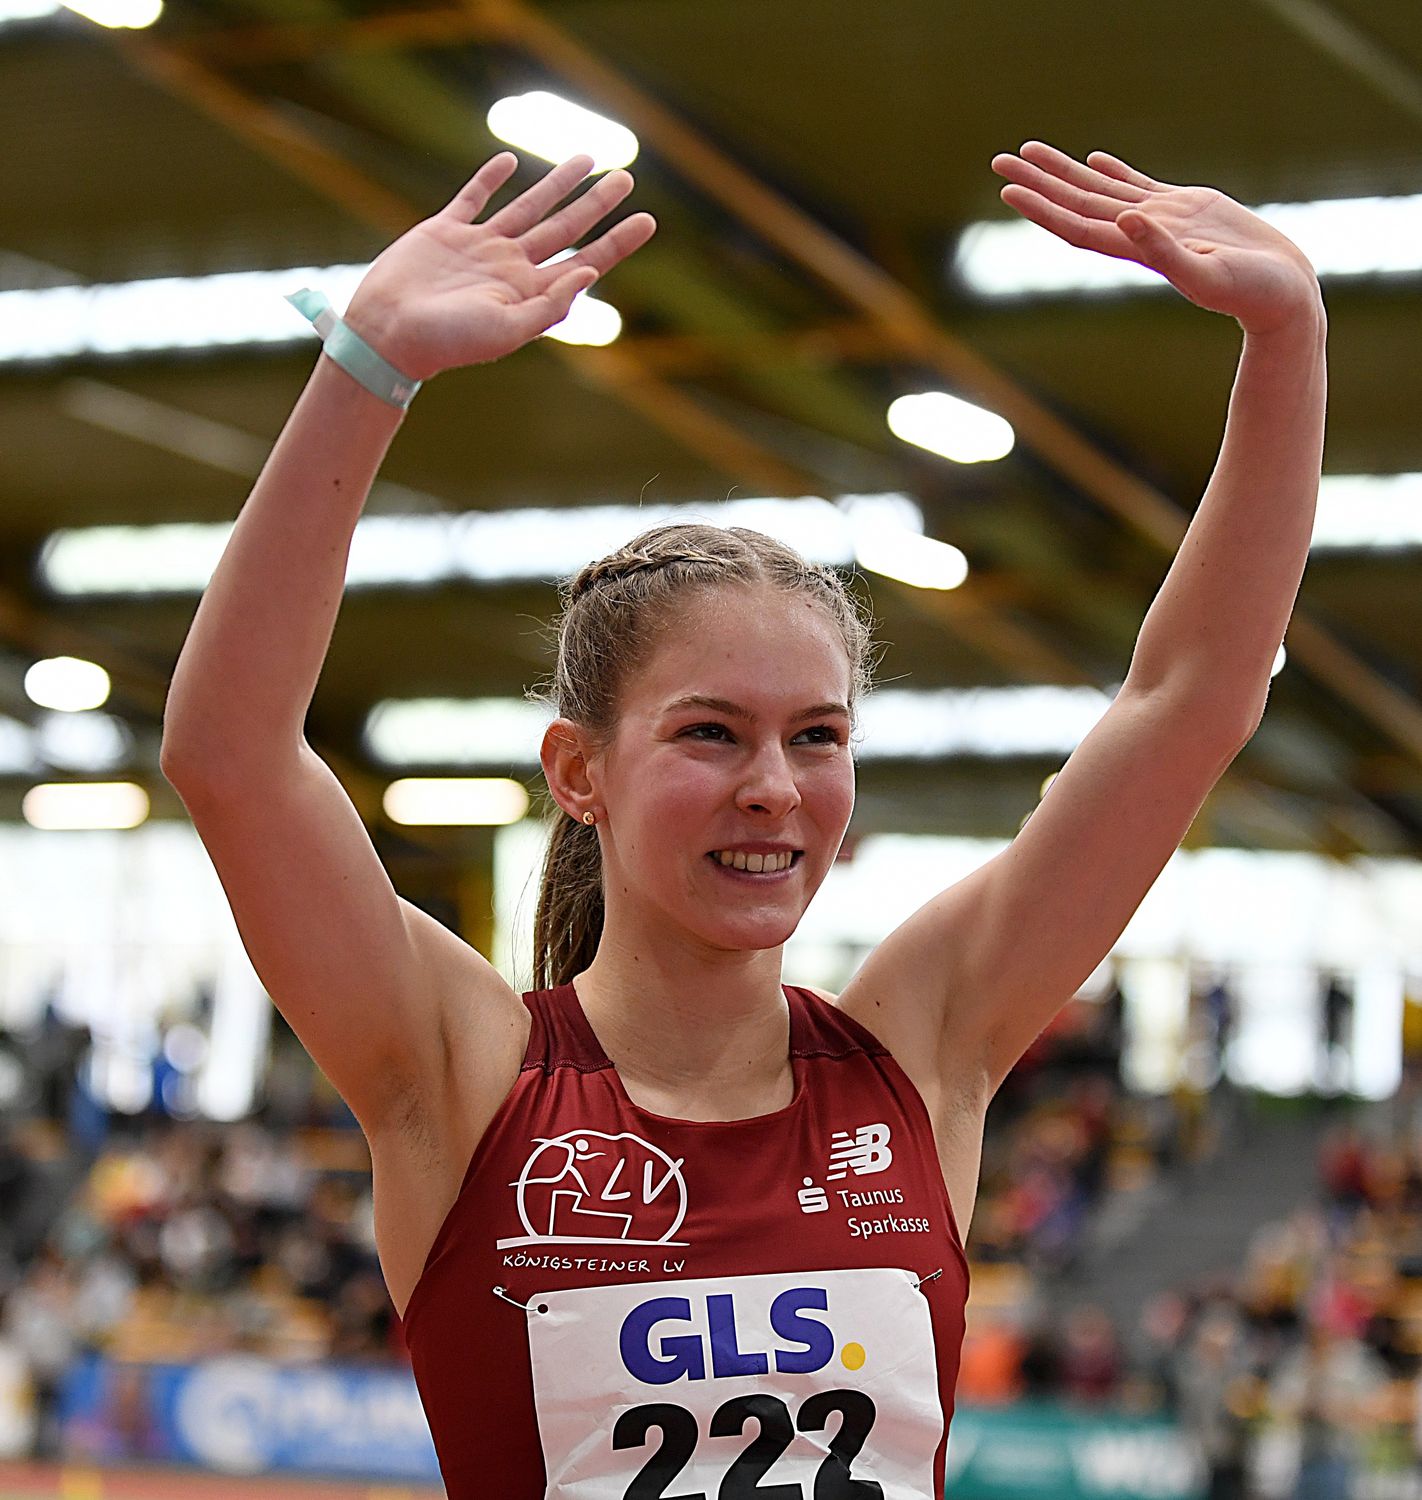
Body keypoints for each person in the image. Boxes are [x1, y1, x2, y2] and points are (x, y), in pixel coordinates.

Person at [160, 139, 1327, 1495]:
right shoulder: (462, 1074)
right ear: (577, 771)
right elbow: (232, 755)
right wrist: (366, 370)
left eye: (816, 736)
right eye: (709, 733)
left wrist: (1288, 338)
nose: (773, 784)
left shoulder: (920, 1053)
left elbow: (1189, 701)